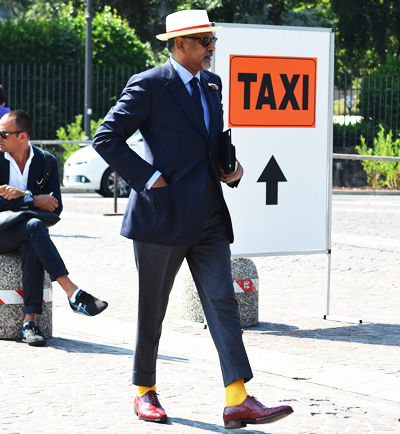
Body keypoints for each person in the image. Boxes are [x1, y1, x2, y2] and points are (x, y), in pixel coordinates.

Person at [92, 9, 293, 429]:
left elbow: (213, 141)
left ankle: (237, 398)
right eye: (205, 41)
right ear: (179, 43)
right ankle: (145, 392)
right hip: (161, 216)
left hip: (209, 214)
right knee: (154, 308)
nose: (211, 49)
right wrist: (149, 178)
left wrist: (231, 169)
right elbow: (106, 138)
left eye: (212, 41)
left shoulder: (212, 84)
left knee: (223, 301)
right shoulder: (148, 85)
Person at [0, 109, 108, 346]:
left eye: (2, 133)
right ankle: (73, 293)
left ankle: (30, 323)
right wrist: (31, 199)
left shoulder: (46, 162)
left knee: (32, 237)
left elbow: (55, 207)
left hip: (29, 232)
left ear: (23, 137)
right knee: (34, 226)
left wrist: (21, 195)